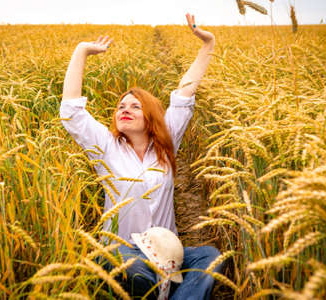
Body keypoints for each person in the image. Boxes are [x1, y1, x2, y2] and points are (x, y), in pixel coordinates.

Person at [60, 13, 225, 300]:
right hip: (122, 250)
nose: (124, 109)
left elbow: (185, 92)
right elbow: (72, 111)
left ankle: (169, 290)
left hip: (168, 250)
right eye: (121, 106)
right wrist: (82, 51)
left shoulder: (167, 142)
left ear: (152, 116)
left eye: (135, 106)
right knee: (133, 267)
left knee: (210, 256)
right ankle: (170, 289)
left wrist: (207, 44)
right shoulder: (105, 147)